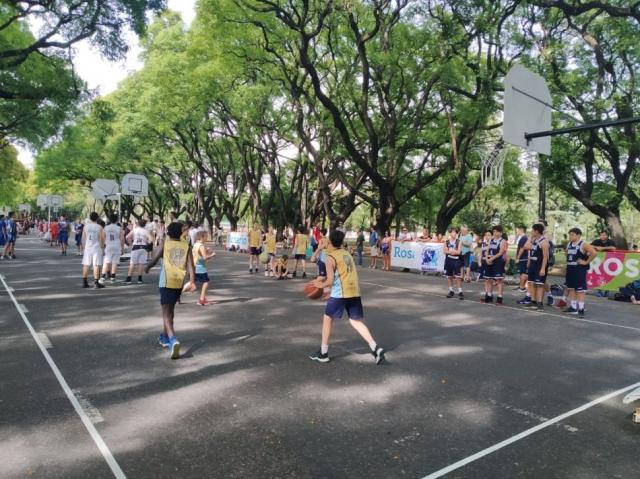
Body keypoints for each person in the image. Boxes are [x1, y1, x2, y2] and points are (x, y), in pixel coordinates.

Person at [308, 229, 385, 365]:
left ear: (330, 241)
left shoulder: (330, 258)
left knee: (327, 319)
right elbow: (343, 274)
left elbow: (330, 280)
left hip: (341, 293)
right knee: (355, 321)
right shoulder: (346, 253)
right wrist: (330, 291)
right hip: (354, 291)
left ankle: (323, 353)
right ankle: (375, 348)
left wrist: (319, 285)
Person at [145, 221, 196, 360]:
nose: (185, 231)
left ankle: (173, 339)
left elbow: (154, 259)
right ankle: (165, 336)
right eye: (183, 229)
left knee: (166, 313)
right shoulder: (187, 246)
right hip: (179, 283)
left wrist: (147, 267)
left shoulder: (165, 244)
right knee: (170, 310)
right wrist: (192, 282)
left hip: (166, 281)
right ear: (179, 232)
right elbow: (191, 266)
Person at [562, 227, 597, 318]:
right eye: (570, 234)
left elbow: (594, 253)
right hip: (570, 268)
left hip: (579, 269)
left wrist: (586, 262)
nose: (570, 236)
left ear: (578, 235)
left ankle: (581, 308)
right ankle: (573, 308)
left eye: (572, 235)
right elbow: (567, 253)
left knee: (580, 290)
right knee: (571, 288)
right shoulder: (569, 244)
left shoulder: (583, 244)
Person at [521, 223, 550, 311]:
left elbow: (546, 257)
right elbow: (526, 246)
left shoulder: (544, 241)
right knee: (531, 283)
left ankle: (540, 303)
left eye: (532, 230)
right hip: (532, 264)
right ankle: (533, 301)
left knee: (539, 284)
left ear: (536, 231)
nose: (531, 232)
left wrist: (542, 268)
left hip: (540, 265)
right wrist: (529, 260)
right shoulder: (534, 240)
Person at [482, 226, 508, 305]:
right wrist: (487, 258)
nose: (495, 233)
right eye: (494, 232)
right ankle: (489, 296)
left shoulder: (502, 241)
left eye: (497, 231)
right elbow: (487, 250)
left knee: (499, 280)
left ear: (500, 232)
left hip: (498, 262)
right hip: (489, 261)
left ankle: (499, 298)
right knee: (489, 279)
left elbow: (501, 252)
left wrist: (492, 258)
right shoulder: (491, 240)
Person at [81, 212, 105, 289]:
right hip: (96, 247)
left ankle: (84, 282)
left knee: (86, 264)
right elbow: (102, 239)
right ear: (97, 218)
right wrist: (102, 247)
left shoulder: (86, 227)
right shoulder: (99, 227)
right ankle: (96, 282)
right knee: (96, 264)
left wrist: (84, 247)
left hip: (88, 247)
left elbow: (83, 238)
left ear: (90, 218)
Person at [125, 219, 152, 284]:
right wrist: (147, 242)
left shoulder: (135, 230)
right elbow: (151, 239)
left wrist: (131, 243)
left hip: (136, 247)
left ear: (138, 224)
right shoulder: (146, 231)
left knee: (132, 263)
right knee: (141, 263)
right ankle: (139, 279)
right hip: (144, 247)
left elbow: (127, 237)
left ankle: (129, 278)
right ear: (145, 224)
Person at [192, 230, 215, 306]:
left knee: (192, 283)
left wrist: (206, 250)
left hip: (195, 266)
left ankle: (202, 299)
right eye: (206, 236)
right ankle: (202, 299)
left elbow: (199, 255)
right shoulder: (201, 246)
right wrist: (212, 255)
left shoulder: (196, 244)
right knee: (205, 283)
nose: (207, 238)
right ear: (202, 237)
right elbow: (204, 257)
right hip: (200, 268)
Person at [591, 231, 616, 297]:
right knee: (599, 275)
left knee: (607, 275)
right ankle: (600, 290)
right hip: (598, 262)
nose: (602, 236)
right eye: (601, 235)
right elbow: (590, 246)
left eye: (604, 235)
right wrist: (596, 247)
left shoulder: (611, 242)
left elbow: (613, 248)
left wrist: (603, 248)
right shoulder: (597, 241)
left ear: (607, 236)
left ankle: (606, 290)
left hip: (609, 262)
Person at [101, 213, 124, 284]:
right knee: (115, 262)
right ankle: (113, 278)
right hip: (117, 246)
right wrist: (122, 248)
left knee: (106, 262)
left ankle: (102, 277)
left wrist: (104, 245)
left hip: (109, 246)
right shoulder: (119, 228)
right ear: (117, 220)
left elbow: (102, 237)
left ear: (109, 220)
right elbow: (122, 239)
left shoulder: (105, 228)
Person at [444, 227, 464, 300]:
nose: (454, 233)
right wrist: (452, 252)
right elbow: (445, 251)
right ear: (450, 233)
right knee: (449, 277)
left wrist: (450, 251)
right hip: (448, 260)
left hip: (456, 261)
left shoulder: (459, 242)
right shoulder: (446, 242)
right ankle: (451, 291)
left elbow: (458, 252)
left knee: (458, 277)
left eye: (455, 232)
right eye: (452, 232)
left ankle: (460, 292)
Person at [514, 226, 529, 293]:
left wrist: (518, 258)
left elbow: (522, 248)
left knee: (523, 273)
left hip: (523, 259)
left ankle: (522, 287)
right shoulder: (523, 238)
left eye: (518, 230)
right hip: (522, 258)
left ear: (522, 230)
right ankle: (521, 286)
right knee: (521, 273)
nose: (517, 231)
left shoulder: (524, 238)